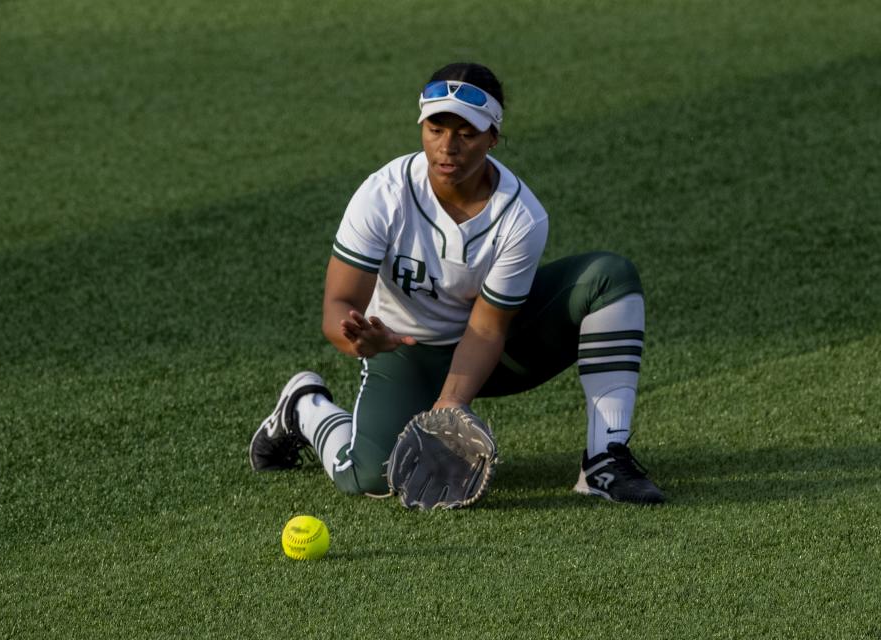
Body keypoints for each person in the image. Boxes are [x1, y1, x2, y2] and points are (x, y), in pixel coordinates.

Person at [249, 62, 664, 504]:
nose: (448, 146)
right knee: (370, 476)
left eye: (467, 132)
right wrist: (358, 341)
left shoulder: (520, 215)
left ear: (493, 138)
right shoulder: (383, 194)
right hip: (404, 351)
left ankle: (604, 461)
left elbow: (487, 328)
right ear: (422, 126)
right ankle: (305, 408)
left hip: (497, 351)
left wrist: (448, 408)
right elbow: (338, 303)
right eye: (436, 127)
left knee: (609, 278)